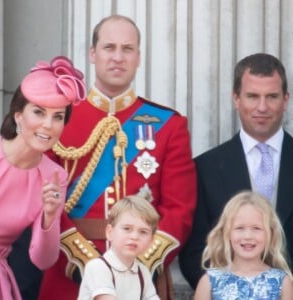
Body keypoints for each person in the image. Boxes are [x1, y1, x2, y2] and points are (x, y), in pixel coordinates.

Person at [38, 14, 196, 300]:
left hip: (140, 278)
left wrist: (132, 268)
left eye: (127, 49)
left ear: (138, 57)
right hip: (69, 274)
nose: (118, 57)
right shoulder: (59, 119)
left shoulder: (168, 125)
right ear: (93, 54)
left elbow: (179, 211)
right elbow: (43, 203)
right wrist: (93, 266)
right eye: (109, 47)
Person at [179, 52, 293, 290]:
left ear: (286, 99)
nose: (262, 107)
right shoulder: (204, 168)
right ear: (236, 98)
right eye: (252, 96)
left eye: (271, 96)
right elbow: (193, 252)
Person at [0, 55, 86, 300]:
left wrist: (50, 216)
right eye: (39, 112)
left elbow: (43, 259)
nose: (48, 125)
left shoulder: (53, 176)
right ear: (18, 116)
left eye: (58, 116)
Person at [194, 191, 293, 300]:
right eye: (240, 228)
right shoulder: (209, 282)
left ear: (271, 233)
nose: (248, 236)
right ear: (226, 233)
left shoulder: (283, 282)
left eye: (256, 228)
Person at [78, 195, 160, 300]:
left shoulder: (143, 272)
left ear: (151, 241)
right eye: (127, 228)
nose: (134, 237)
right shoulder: (98, 267)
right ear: (110, 232)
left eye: (143, 232)